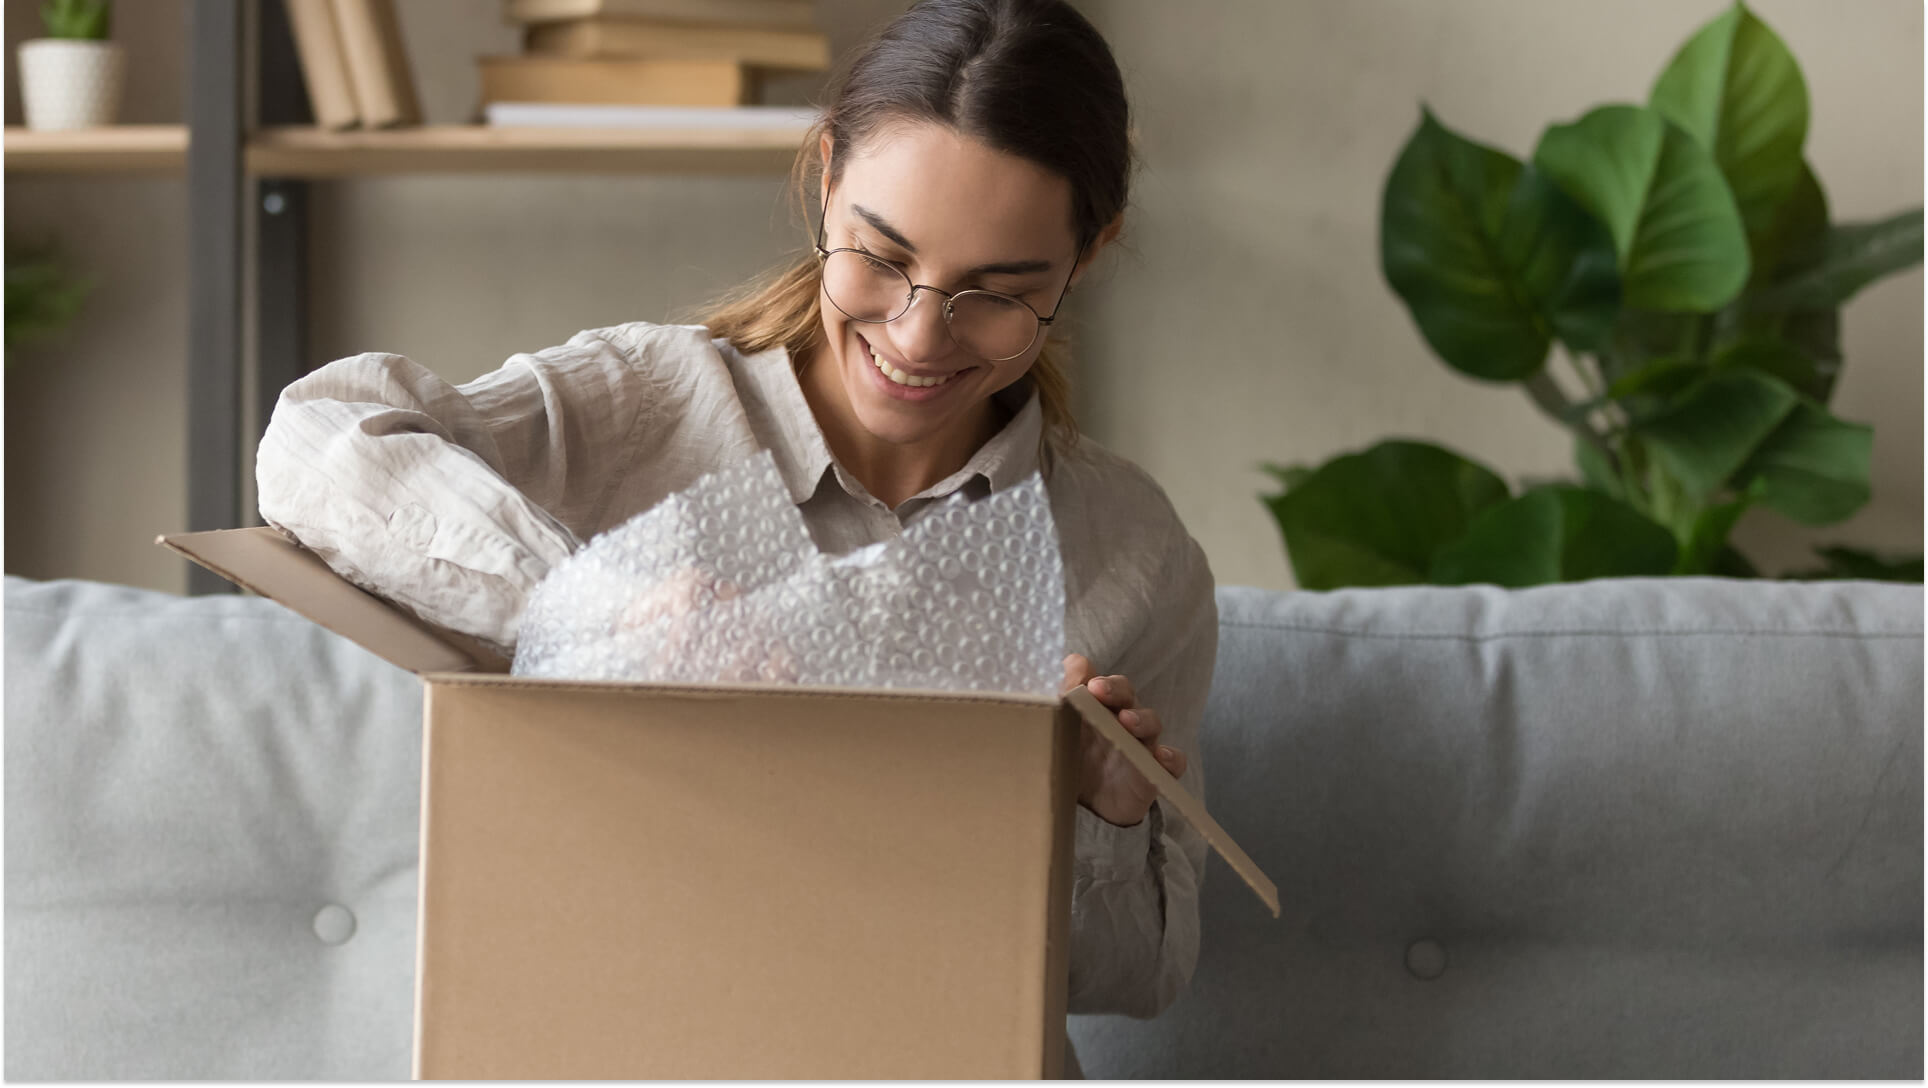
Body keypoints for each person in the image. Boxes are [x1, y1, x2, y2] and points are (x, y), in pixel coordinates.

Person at [255, 0, 1215, 1075]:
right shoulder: (644, 405)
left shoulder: (1133, 552)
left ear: (1088, 255)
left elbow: (1137, 978)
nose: (914, 337)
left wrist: (1103, 815)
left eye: (997, 296)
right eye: (879, 257)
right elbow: (314, 444)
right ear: (823, 174)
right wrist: (600, 611)